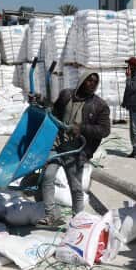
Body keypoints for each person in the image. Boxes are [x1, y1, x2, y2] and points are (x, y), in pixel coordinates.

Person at [36, 71, 111, 228]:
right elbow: (54, 113)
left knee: (75, 187)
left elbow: (104, 130)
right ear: (82, 81)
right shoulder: (66, 96)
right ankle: (51, 215)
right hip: (58, 145)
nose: (92, 84)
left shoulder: (100, 105)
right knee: (47, 177)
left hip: (77, 151)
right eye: (89, 80)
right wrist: (41, 102)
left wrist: (81, 129)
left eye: (95, 82)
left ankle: (78, 219)